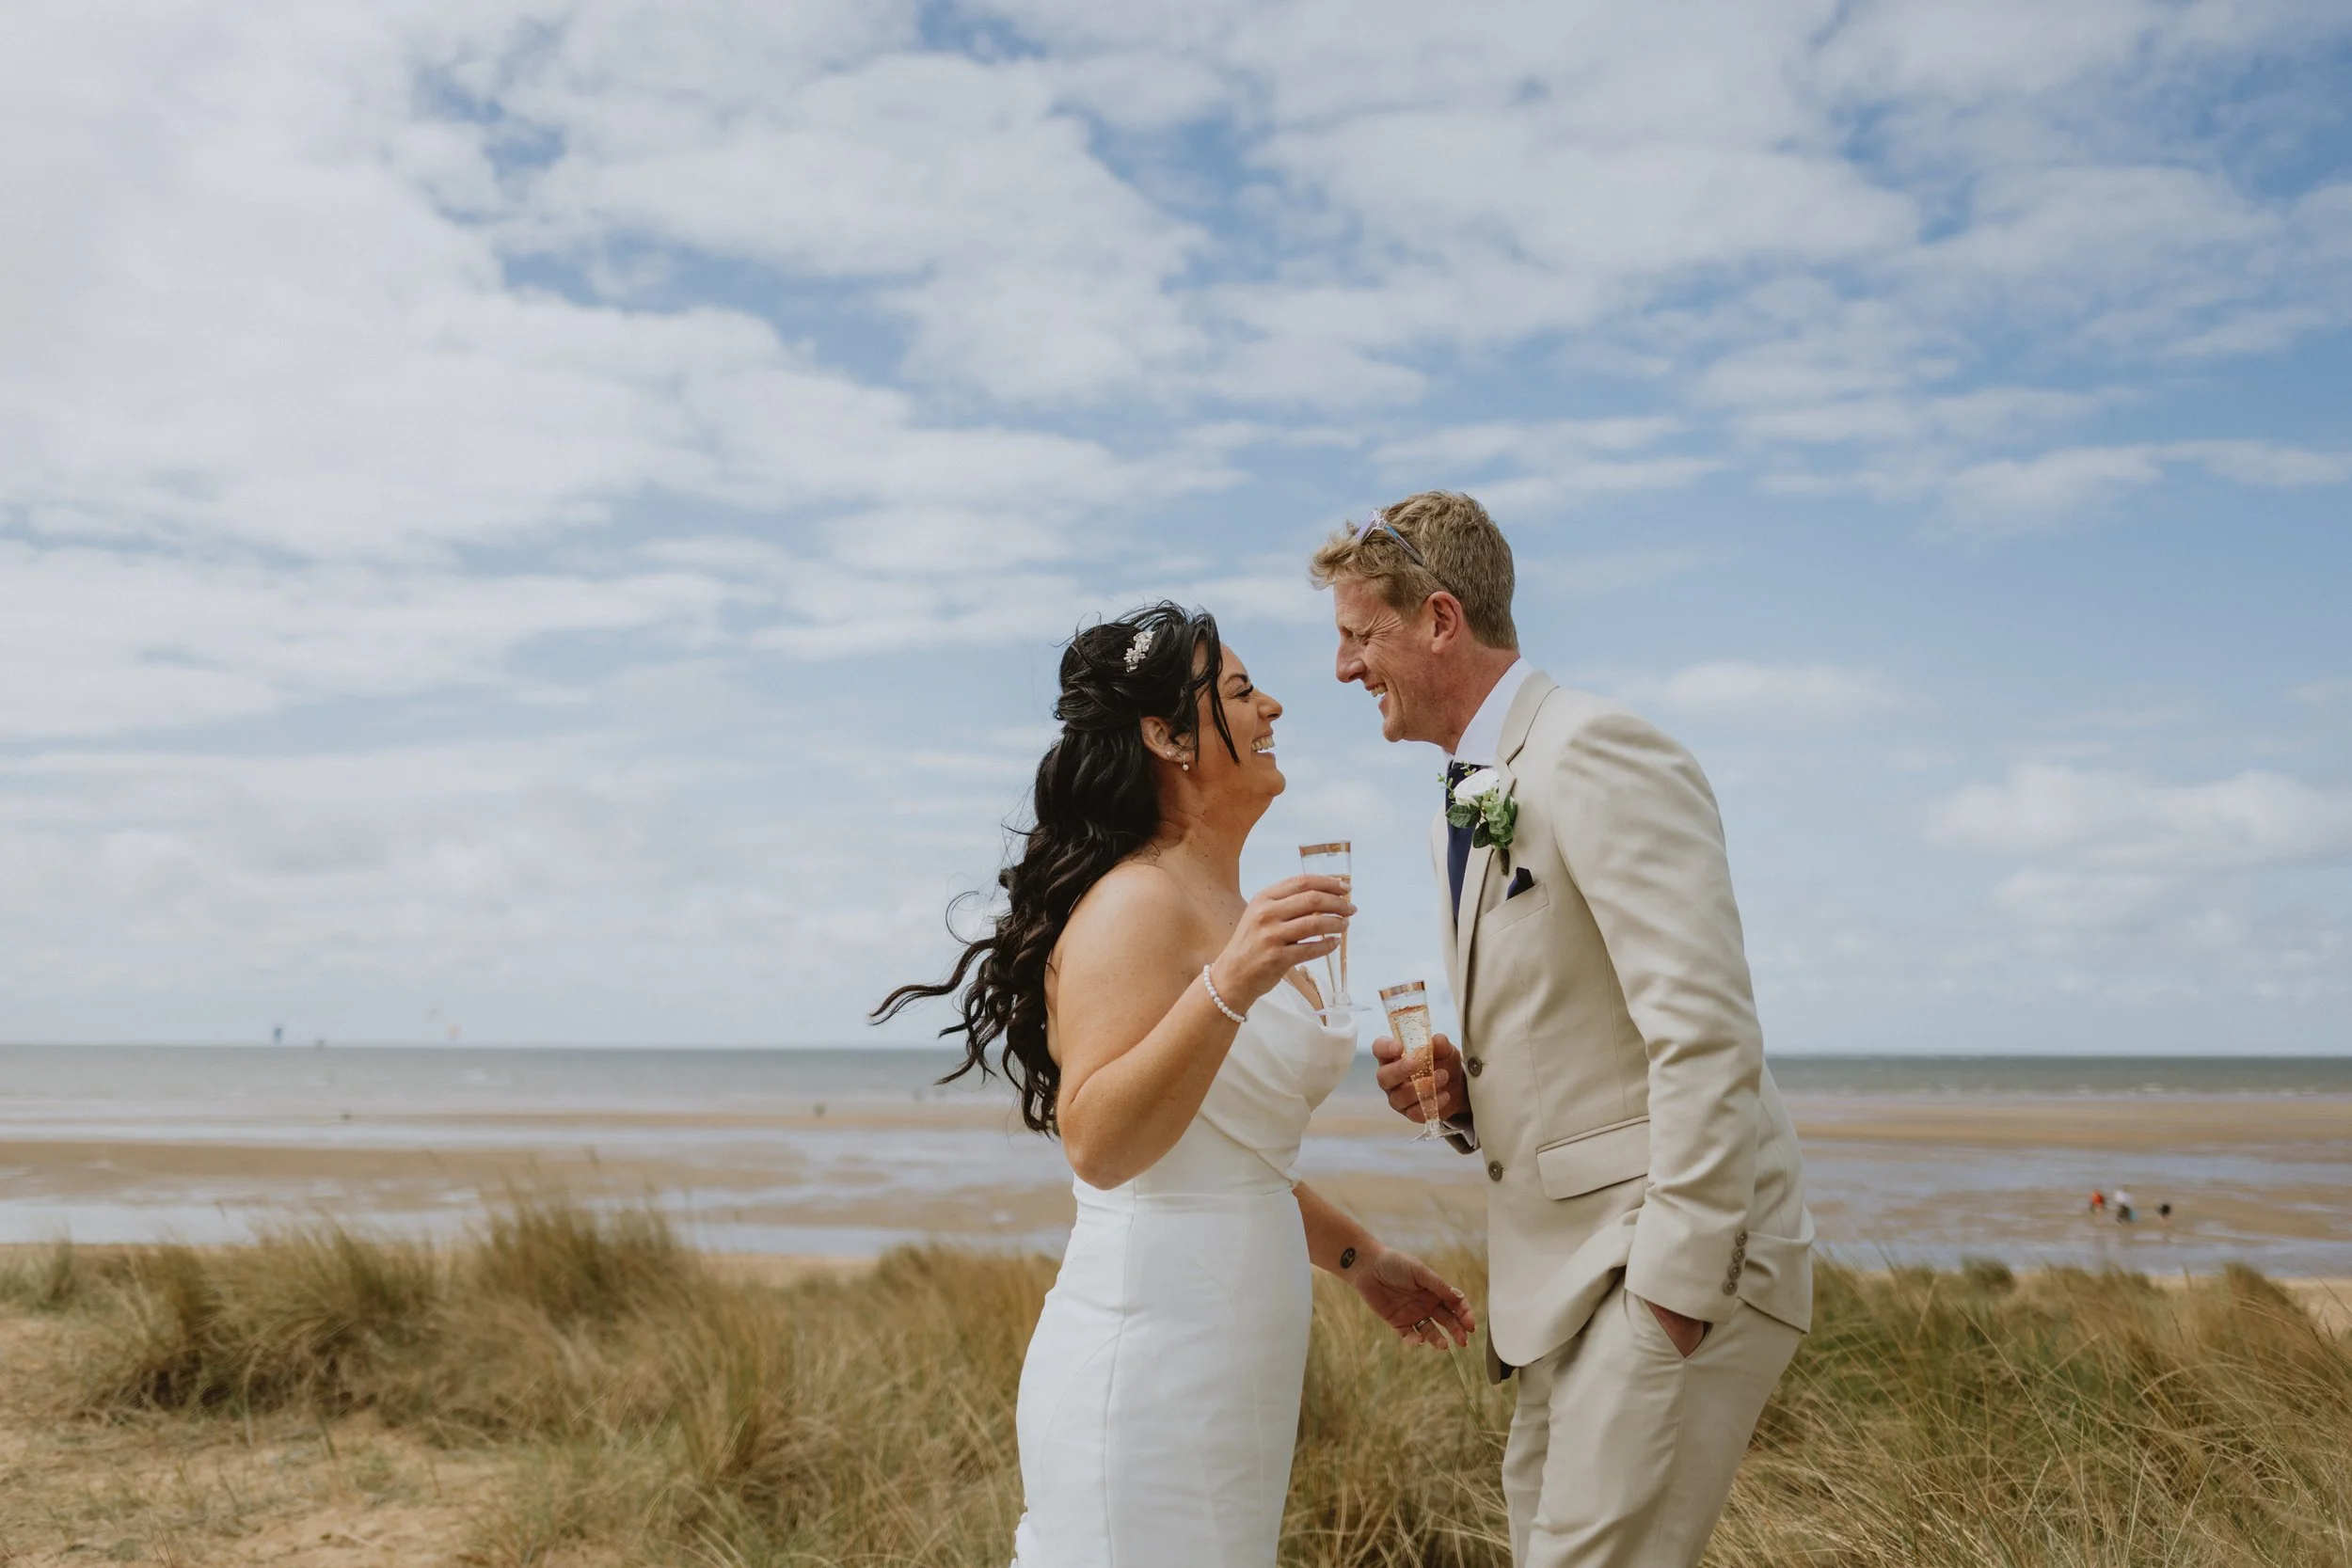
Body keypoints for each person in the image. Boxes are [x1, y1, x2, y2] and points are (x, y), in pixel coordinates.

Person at [875, 602, 1474, 1568]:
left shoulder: (1223, 902)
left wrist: (1364, 1259)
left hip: (1234, 1367)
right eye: (1240, 691)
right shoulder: (1134, 903)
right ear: (1166, 737)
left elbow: (1224, 1156)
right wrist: (1231, 980)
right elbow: (1100, 1144)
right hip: (1149, 1368)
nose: (1273, 705)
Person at [1313, 494, 1813, 1568]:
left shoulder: (1596, 750)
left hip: (1655, 1269)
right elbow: (1576, 1031)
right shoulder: (1467, 798)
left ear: (1439, 619)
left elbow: (1706, 1030)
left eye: (1359, 636)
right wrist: (1465, 1091)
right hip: (1561, 1293)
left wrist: (1674, 1295)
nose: (1343, 668)